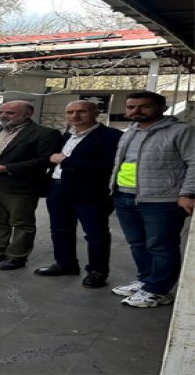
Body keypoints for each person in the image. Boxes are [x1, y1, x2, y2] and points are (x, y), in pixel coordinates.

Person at [109, 91, 195, 307]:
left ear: (162, 108)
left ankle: (159, 290)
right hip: (125, 195)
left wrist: (187, 193)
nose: (136, 111)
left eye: (144, 106)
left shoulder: (182, 131)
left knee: (161, 245)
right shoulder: (130, 131)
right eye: (131, 107)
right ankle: (146, 281)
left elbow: (194, 162)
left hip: (161, 199)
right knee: (137, 243)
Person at [33, 101, 122, 288]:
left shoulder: (111, 136)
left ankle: (97, 271)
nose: (75, 116)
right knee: (59, 230)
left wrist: (67, 161)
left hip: (90, 192)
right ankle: (65, 264)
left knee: (95, 234)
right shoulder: (67, 135)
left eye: (81, 112)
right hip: (58, 189)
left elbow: (108, 167)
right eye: (70, 112)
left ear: (96, 113)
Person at [0, 100, 61, 270]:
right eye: (1, 112)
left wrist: (7, 168)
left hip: (20, 186)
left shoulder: (45, 133)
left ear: (28, 114)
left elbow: (44, 161)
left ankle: (17, 256)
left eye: (10, 113)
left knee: (21, 223)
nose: (3, 116)